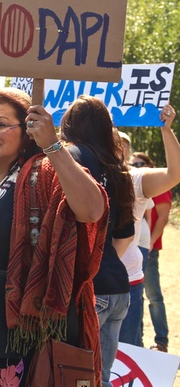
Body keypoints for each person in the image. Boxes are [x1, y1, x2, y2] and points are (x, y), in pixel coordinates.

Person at [0, 88, 108, 387]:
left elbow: (92, 210)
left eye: (1, 124)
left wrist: (52, 145)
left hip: (11, 338)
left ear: (27, 129)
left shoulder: (41, 173)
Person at [59, 95, 135, 387]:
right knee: (99, 380)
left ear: (68, 123)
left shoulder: (70, 157)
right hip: (118, 287)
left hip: (89, 289)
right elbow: (124, 234)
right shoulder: (118, 168)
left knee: (71, 377)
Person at [130, 152, 171, 352]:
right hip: (138, 246)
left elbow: (162, 217)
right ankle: (139, 344)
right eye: (133, 163)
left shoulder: (156, 184)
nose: (136, 166)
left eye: (141, 163)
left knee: (153, 296)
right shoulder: (131, 181)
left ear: (150, 165)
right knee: (137, 297)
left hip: (148, 249)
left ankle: (161, 340)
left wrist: (151, 244)